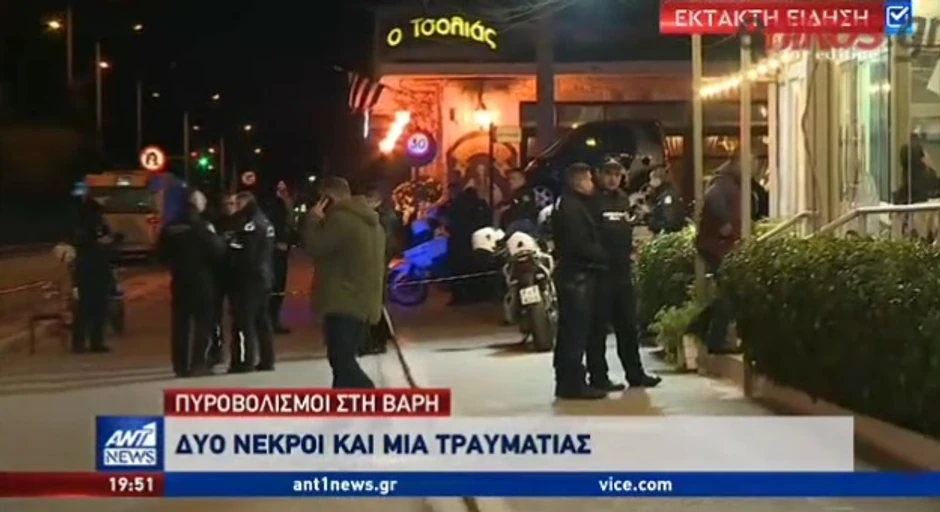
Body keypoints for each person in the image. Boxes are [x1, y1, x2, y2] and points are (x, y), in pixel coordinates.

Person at [301, 177, 385, 388]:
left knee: (342, 360)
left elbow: (315, 246)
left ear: (328, 197)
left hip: (342, 298)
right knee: (341, 360)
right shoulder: (370, 221)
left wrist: (313, 219)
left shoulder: (341, 220)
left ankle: (371, 396)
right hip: (360, 297)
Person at [587, 161, 662, 391]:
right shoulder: (592, 200)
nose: (612, 178)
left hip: (622, 272)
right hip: (601, 273)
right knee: (597, 329)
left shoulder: (622, 199)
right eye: (608, 174)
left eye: (616, 174)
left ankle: (635, 374)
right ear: (599, 174)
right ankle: (599, 377)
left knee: (628, 326)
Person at [551, 163, 609, 400]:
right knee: (574, 332)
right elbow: (578, 243)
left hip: (575, 275)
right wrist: (604, 256)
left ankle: (569, 380)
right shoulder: (571, 208)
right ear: (578, 182)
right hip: (577, 277)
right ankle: (572, 383)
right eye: (588, 179)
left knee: (571, 331)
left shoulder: (570, 204)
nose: (592, 183)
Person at [158, 190, 225, 377]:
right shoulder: (202, 225)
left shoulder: (170, 227)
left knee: (180, 324)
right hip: (201, 280)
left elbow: (161, 255)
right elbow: (218, 250)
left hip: (179, 280)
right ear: (199, 205)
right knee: (203, 322)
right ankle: (198, 363)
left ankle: (180, 365)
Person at [696, 154, 742, 354]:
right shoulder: (723, 184)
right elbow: (713, 198)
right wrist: (725, 224)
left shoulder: (727, 183)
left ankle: (703, 329)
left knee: (727, 291)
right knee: (729, 292)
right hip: (718, 246)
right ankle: (714, 337)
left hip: (718, 245)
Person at [227, 191, 277, 373]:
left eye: (237, 204)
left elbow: (246, 254)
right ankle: (267, 359)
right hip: (264, 277)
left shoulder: (248, 224)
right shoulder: (265, 221)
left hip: (247, 279)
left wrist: (231, 251)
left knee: (243, 321)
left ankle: (244, 361)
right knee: (262, 321)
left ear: (245, 203)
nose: (234, 208)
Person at [70, 193, 116, 354]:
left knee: (89, 306)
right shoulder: (92, 221)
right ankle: (90, 342)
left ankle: (85, 342)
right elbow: (97, 241)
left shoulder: (85, 220)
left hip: (89, 267)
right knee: (93, 306)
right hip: (94, 267)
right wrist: (109, 241)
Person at [361, 186, 400, 356]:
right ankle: (380, 336)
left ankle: (379, 339)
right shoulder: (383, 216)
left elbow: (385, 242)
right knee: (375, 302)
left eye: (369, 200)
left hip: (378, 263)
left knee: (375, 302)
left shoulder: (383, 218)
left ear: (377, 201)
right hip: (379, 262)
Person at [446, 186, 491, 305]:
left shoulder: (456, 205)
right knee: (474, 268)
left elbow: (451, 222)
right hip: (476, 241)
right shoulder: (480, 204)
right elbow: (486, 219)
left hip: (458, 242)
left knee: (457, 270)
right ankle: (476, 295)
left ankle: (459, 297)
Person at [208, 194, 239, 367]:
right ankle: (216, 350)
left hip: (236, 276)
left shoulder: (242, 223)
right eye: (226, 204)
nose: (229, 207)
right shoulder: (215, 224)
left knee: (238, 316)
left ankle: (237, 352)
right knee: (215, 316)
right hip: (218, 275)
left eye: (232, 203)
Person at [265, 181, 295, 334]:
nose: (283, 191)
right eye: (279, 188)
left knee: (279, 286)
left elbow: (289, 226)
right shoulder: (272, 205)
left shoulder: (287, 204)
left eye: (285, 188)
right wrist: (277, 242)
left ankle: (274, 319)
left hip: (282, 251)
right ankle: (269, 321)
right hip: (273, 252)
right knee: (274, 286)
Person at [647, 167, 686, 235]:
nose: (650, 182)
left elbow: (670, 219)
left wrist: (653, 224)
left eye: (652, 179)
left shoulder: (667, 195)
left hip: (669, 233)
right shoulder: (663, 192)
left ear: (658, 180)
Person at [498, 169, 538, 234]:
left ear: (522, 179)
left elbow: (523, 209)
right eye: (509, 179)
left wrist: (508, 209)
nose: (510, 181)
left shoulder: (525, 193)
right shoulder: (515, 194)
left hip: (520, 226)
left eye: (513, 179)